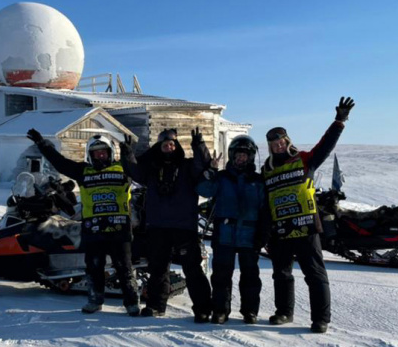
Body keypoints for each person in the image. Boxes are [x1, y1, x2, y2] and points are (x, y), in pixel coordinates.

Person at [262, 96, 355, 333]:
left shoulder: (304, 160)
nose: (278, 146)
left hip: (305, 226)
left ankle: (321, 319)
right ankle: (284, 312)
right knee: (281, 274)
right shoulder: (267, 169)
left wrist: (339, 122)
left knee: (314, 273)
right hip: (281, 229)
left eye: (281, 142)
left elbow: (325, 146)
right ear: (270, 147)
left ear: (287, 141)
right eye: (274, 144)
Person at [26, 128, 141, 316]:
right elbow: (60, 163)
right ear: (89, 154)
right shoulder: (83, 171)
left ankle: (131, 302)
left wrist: (129, 153)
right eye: (96, 153)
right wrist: (42, 144)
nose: (100, 155)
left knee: (124, 267)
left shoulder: (123, 169)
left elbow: (137, 171)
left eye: (104, 152)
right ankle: (95, 300)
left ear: (111, 152)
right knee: (94, 266)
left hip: (119, 228)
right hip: (93, 229)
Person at [121, 128, 212, 322]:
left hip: (184, 226)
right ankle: (155, 306)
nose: (169, 148)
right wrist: (127, 153)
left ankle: (203, 308)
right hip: (158, 226)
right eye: (165, 145)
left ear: (177, 146)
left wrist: (199, 145)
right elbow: (134, 172)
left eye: (172, 144)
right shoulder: (152, 168)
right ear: (159, 148)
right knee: (158, 269)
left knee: (192, 268)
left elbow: (203, 165)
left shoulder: (187, 166)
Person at [196, 135, 269, 325]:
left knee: (251, 277)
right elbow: (204, 190)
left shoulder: (258, 181)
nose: (241, 159)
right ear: (231, 155)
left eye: (245, 155)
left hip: (249, 235)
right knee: (221, 275)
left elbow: (264, 209)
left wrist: (262, 234)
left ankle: (250, 311)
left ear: (251, 157)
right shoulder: (221, 177)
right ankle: (220, 311)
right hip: (225, 234)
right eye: (238, 155)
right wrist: (211, 170)